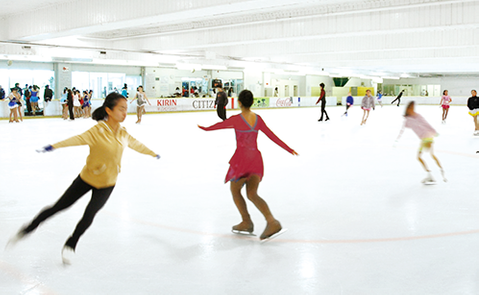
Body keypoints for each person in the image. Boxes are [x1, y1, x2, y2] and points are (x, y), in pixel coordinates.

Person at [7, 93, 160, 264]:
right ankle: (28, 228)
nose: (125, 113)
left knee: (89, 215)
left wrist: (152, 153)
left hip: (108, 183)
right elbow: (78, 139)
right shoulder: (98, 131)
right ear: (109, 110)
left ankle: (71, 243)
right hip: (87, 178)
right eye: (121, 109)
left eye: (126, 109)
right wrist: (54, 146)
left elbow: (136, 144)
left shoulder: (123, 133)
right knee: (60, 206)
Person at [198, 90, 298, 240]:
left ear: (239, 102)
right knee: (252, 194)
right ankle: (272, 221)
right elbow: (272, 136)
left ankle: (246, 221)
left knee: (235, 190)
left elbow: (221, 125)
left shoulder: (237, 119)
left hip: (242, 160)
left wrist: (205, 128)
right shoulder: (258, 119)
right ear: (252, 102)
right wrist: (289, 149)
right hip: (256, 159)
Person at [396, 101, 447, 184]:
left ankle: (432, 174)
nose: (412, 109)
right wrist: (397, 138)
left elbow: (426, 124)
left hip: (427, 137)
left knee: (422, 156)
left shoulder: (417, 116)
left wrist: (434, 131)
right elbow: (403, 128)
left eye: (413, 108)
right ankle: (436, 172)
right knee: (428, 155)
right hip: (425, 138)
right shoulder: (408, 119)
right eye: (410, 108)